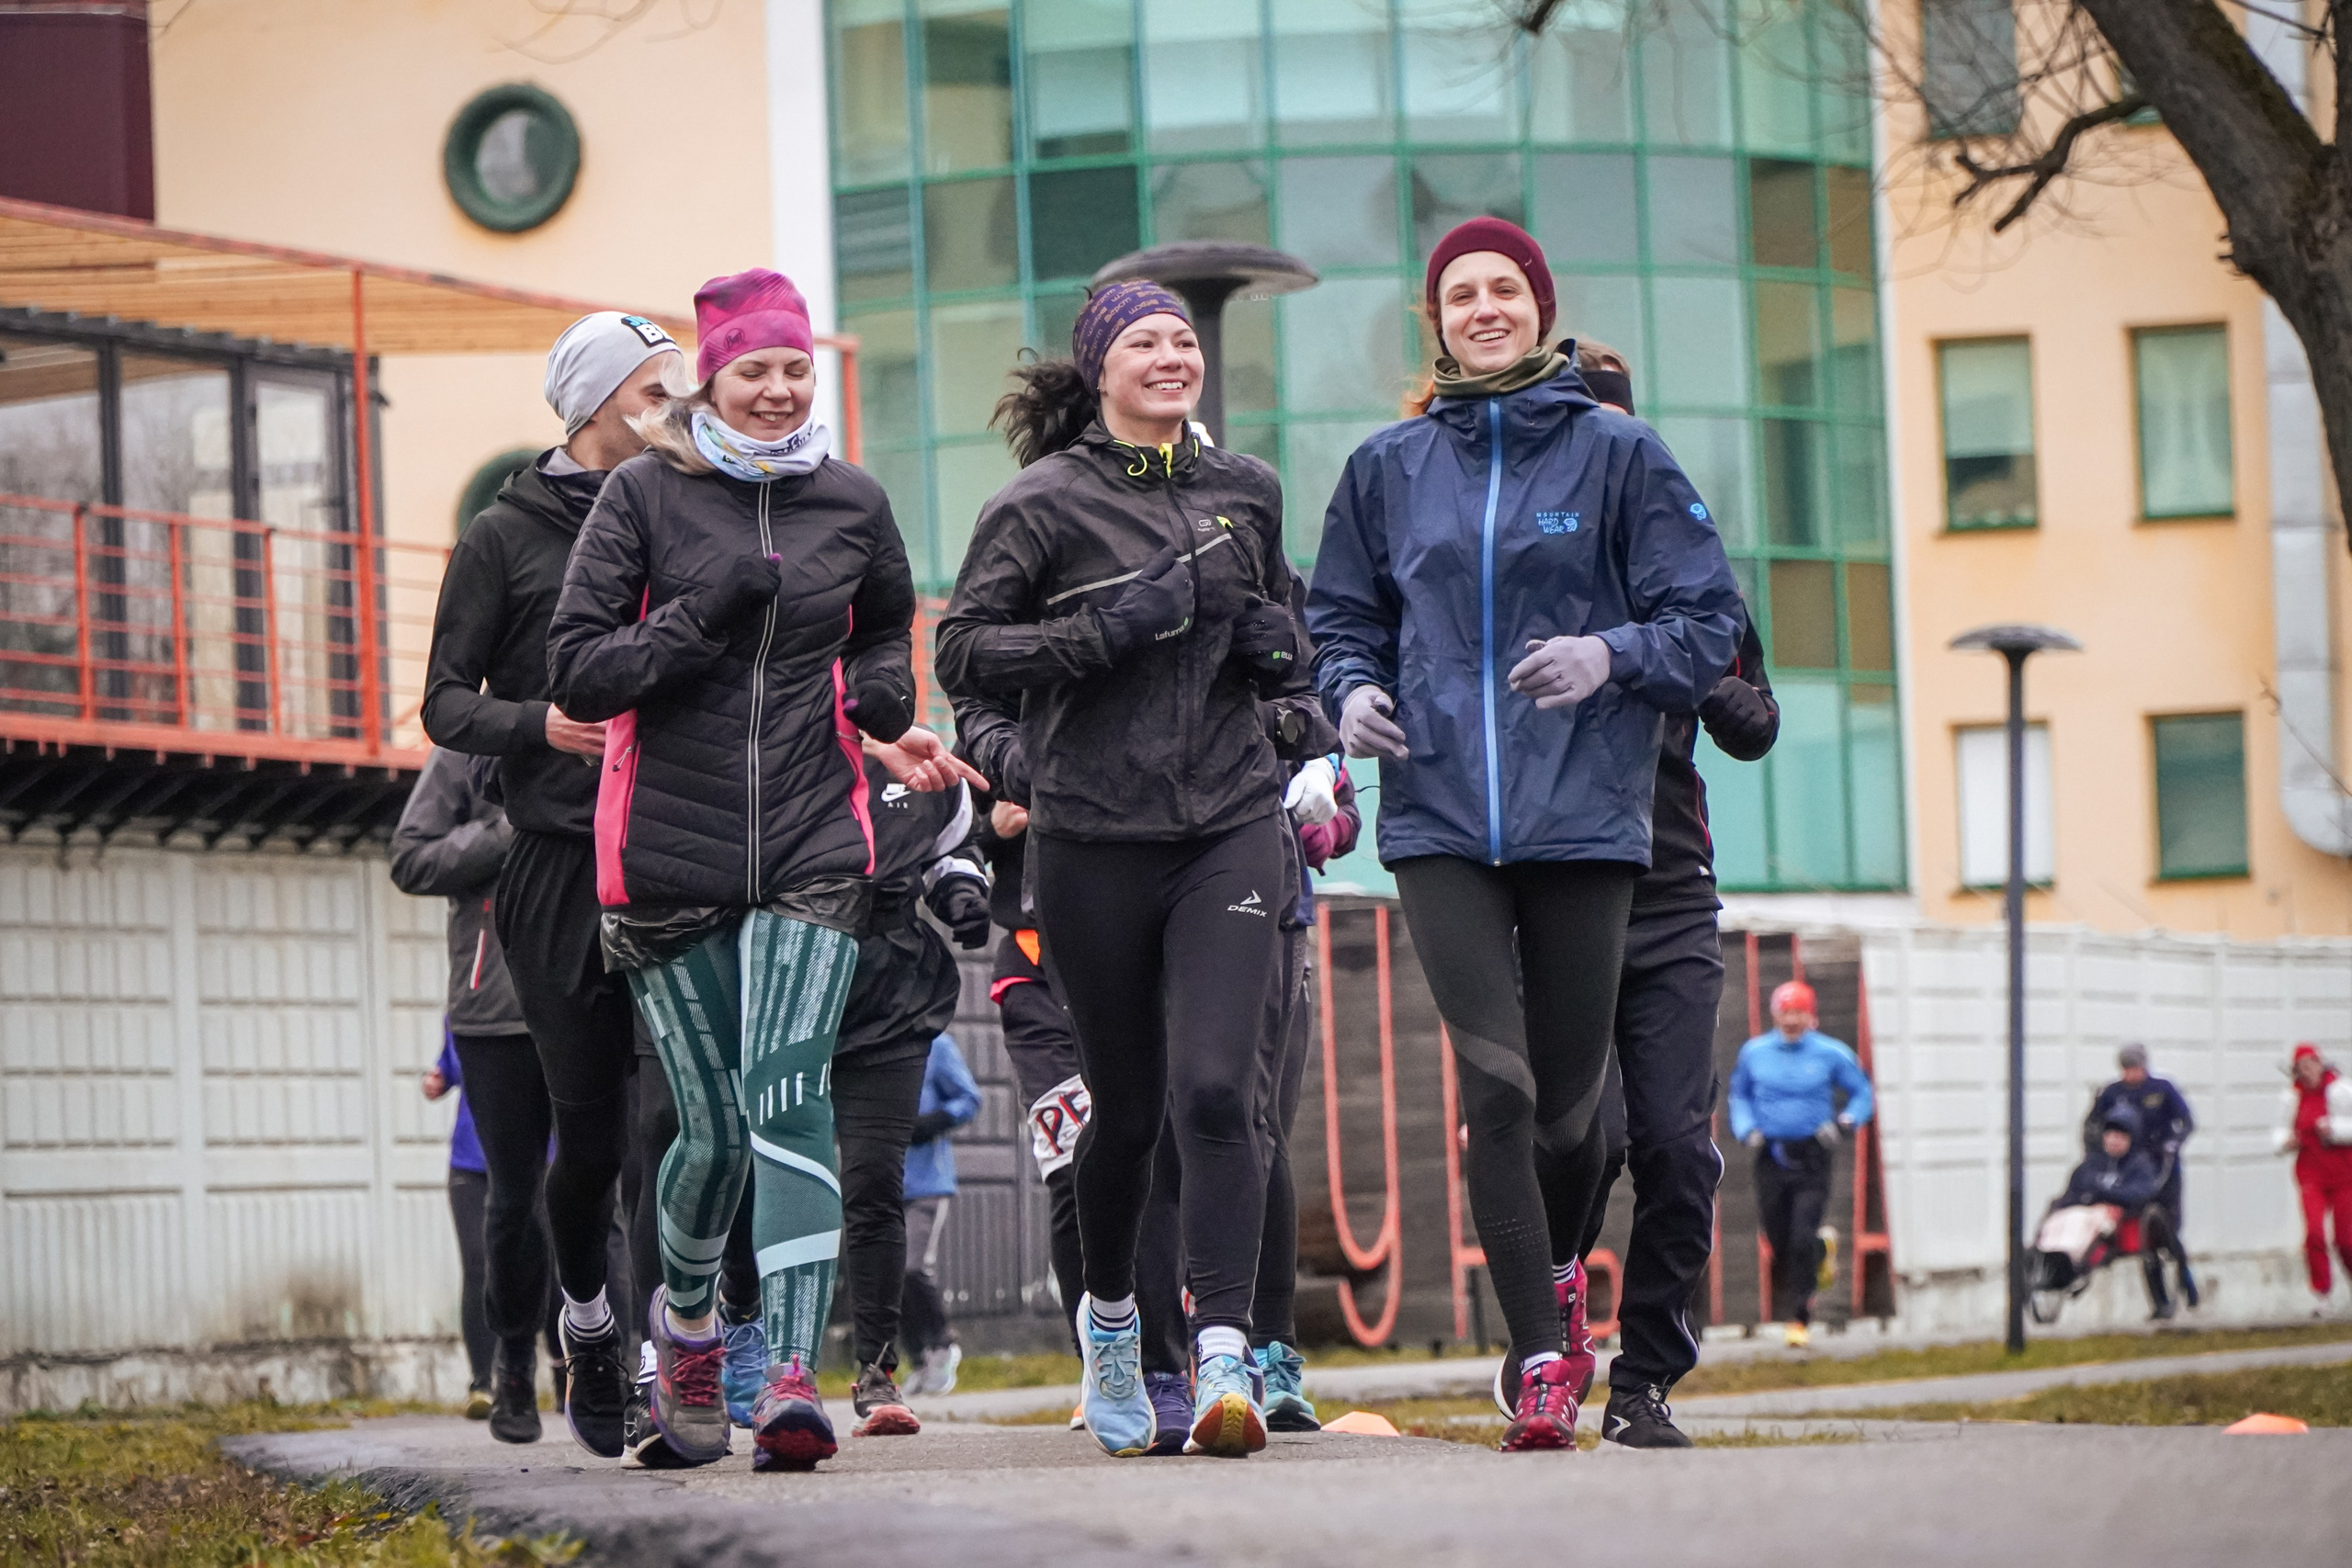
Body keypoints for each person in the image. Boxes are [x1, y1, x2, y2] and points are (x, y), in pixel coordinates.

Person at [1306, 217, 1743, 1451]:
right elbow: (1337, 615)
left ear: (1539, 307)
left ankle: (1562, 1272)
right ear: (1434, 318)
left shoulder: (1620, 454)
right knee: (1493, 1090)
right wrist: (1346, 689)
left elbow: (1706, 621)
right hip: (1439, 813)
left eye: (1505, 288)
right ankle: (1539, 1355)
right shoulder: (1386, 467)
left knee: (1570, 1114)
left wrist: (1611, 653)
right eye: (1460, 292)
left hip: (1587, 823)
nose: (1483, 307)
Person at [548, 267, 967, 1473]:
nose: (780, 389)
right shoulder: (642, 494)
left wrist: (886, 695)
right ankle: (684, 1329)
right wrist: (703, 613)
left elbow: (885, 619)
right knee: (714, 1133)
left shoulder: (853, 501)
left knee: (791, 1100)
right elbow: (579, 671)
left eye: (795, 368)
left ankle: (788, 1375)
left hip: (811, 843)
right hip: (666, 856)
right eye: (754, 370)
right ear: (714, 380)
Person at [935, 278, 1315, 1460]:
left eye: (1183, 340)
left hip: (1228, 825)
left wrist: (1288, 680)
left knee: (1218, 1094)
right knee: (1131, 1111)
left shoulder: (1246, 492)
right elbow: (967, 659)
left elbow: (1292, 659)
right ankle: (1112, 1325)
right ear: (1100, 370)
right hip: (1092, 836)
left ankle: (1223, 1356)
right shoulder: (1039, 505)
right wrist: (1105, 636)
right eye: (1144, 340)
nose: (1171, 354)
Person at [421, 311, 685, 1457]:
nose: (679, 407)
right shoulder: (505, 535)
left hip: (682, 851)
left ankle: (662, 1357)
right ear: (597, 406)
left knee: (672, 1130)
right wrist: (542, 724)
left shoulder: (691, 510)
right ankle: (581, 1325)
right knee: (584, 1141)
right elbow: (442, 702)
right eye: (657, 390)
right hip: (559, 863)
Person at [390, 745, 553, 1441]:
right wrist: (509, 829)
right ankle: (500, 1374)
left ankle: (602, 1362)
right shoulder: (465, 747)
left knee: (599, 1202)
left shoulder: (617, 706)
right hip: (499, 1016)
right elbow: (413, 856)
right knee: (508, 1222)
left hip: (600, 987)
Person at [829, 752, 992, 1437]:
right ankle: (761, 1354)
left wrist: (962, 890)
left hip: (893, 1008)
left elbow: (968, 1102)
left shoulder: (921, 772)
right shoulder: (776, 743)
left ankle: (887, 1364)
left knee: (884, 1209)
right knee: (758, 1174)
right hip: (792, 982)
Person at [1728, 980, 1875, 1348]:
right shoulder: (1754, 1052)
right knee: (1777, 1236)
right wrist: (1747, 1129)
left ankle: (1799, 1317)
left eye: (1799, 1012)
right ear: (1775, 1014)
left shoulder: (1831, 1053)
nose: (1792, 1019)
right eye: (1785, 1012)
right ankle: (1820, 1253)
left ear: (1812, 1016)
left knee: (1800, 1234)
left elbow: (1862, 1092)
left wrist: (1846, 1121)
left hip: (1813, 1154)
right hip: (1771, 1154)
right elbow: (1739, 1094)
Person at [900, 1032, 983, 1392]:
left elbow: (969, 1098)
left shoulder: (937, 1045)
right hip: (881, 1182)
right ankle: (917, 1359)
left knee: (912, 1267)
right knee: (887, 1277)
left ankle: (944, 1345)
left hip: (927, 1183)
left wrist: (933, 1121)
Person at [2273, 1043, 2352, 1312]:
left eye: (2310, 1065)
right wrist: (2288, 1142)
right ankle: (2322, 1294)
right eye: (2300, 1068)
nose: (2306, 1072)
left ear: (2320, 1064)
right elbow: (2278, 1134)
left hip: (2344, 1176)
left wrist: (2333, 1129)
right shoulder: (2292, 1098)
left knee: (2346, 1239)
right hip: (2311, 1176)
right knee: (2315, 1234)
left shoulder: (2341, 1091)